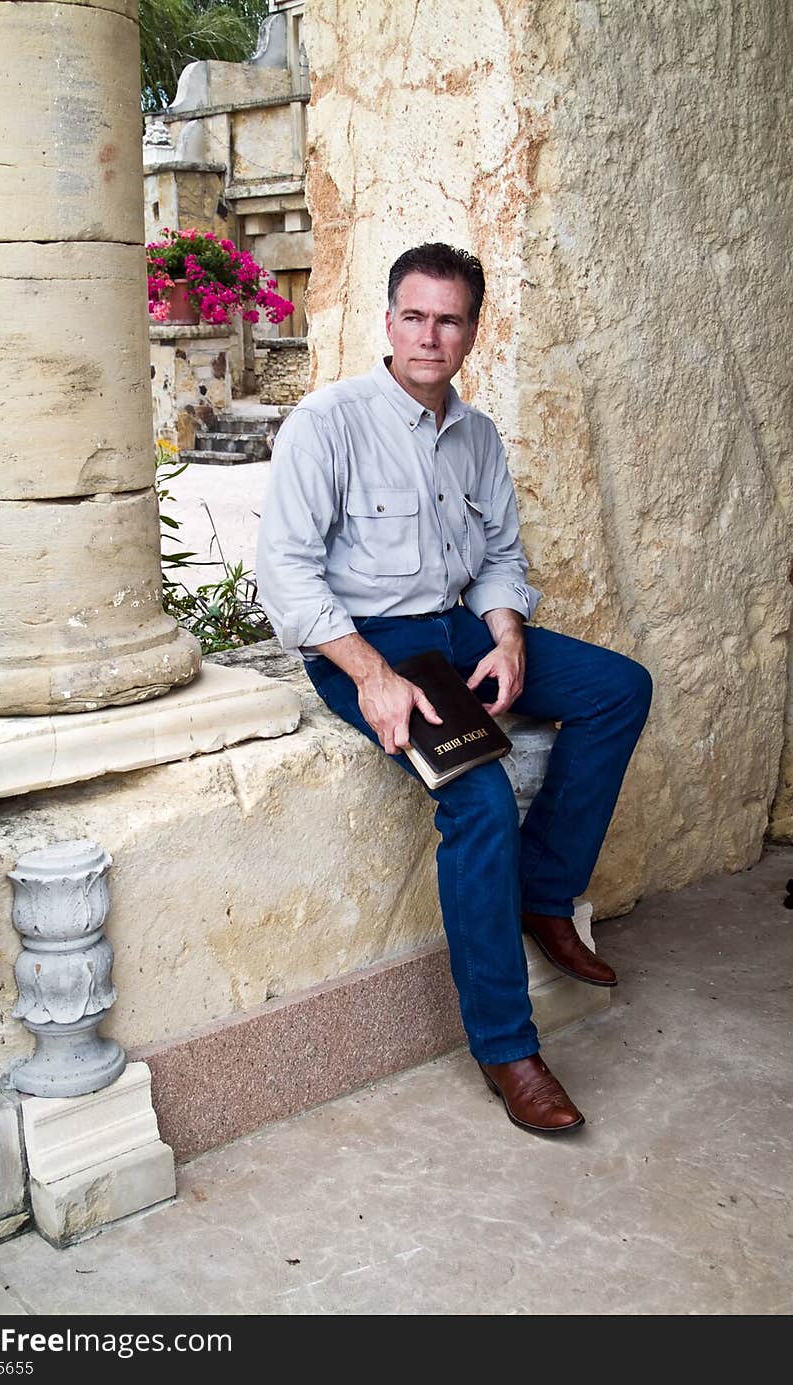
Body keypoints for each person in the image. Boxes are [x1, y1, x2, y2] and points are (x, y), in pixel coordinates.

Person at [256, 242, 652, 1136]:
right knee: (476, 796)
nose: (429, 337)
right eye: (414, 316)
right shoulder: (328, 422)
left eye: (450, 319)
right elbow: (286, 572)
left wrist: (508, 636)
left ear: (472, 330)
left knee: (618, 689)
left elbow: (501, 558)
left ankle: (545, 897)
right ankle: (507, 1047)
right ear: (387, 322)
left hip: (460, 633)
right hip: (366, 642)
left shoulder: (475, 435)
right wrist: (374, 677)